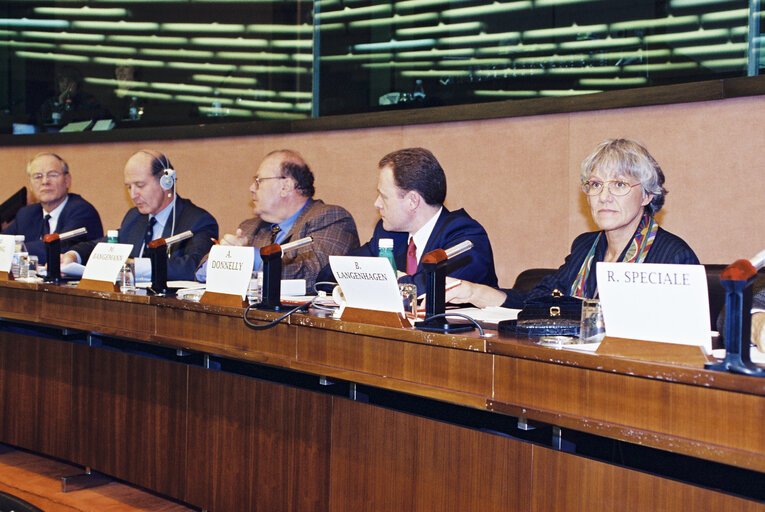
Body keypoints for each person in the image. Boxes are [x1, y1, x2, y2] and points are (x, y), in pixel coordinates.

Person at [447, 138, 699, 308]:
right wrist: (474, 292)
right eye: (596, 184)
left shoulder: (674, 256)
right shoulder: (586, 247)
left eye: (619, 185)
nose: (604, 196)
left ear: (646, 195)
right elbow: (537, 302)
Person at [319, 147, 497, 294]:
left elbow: (434, 286)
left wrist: (386, 280)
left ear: (413, 201)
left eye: (384, 196)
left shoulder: (465, 235)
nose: (377, 204)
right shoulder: (388, 233)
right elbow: (335, 272)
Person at [196, 150, 359, 291]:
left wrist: (249, 258)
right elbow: (201, 274)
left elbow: (313, 276)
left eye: (259, 181)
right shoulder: (250, 227)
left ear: (285, 186)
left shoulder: (332, 218)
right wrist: (222, 258)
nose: (251, 188)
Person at [62, 150, 218, 281]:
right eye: (129, 187)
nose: (133, 195)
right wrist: (74, 256)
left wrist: (136, 267)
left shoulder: (198, 220)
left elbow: (196, 265)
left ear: (166, 182)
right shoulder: (135, 217)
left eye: (140, 186)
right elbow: (105, 244)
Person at [2, 152, 103, 265]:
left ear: (67, 180)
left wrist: (15, 249)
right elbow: (3, 242)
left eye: (52, 175)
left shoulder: (82, 211)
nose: (45, 182)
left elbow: (58, 248)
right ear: (30, 184)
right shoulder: (26, 214)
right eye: (38, 176)